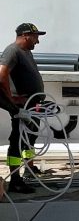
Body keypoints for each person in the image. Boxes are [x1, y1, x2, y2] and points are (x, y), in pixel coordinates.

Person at [0, 23, 47, 195]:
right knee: (18, 141)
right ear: (26, 35)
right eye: (36, 37)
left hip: (33, 105)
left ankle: (29, 167)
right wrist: (11, 99)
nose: (37, 41)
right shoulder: (12, 51)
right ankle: (15, 180)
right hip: (22, 107)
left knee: (29, 138)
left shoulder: (26, 52)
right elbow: (2, 73)